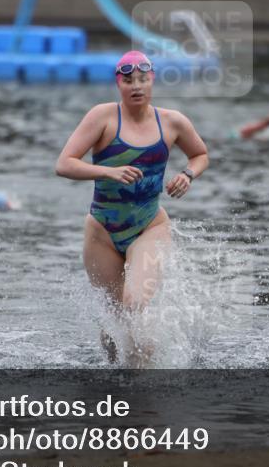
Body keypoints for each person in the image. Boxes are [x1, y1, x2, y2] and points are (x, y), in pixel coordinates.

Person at [55, 51, 209, 365]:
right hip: (102, 233)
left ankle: (145, 387)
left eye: (142, 79)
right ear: (119, 84)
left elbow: (200, 154)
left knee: (135, 304)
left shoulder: (172, 121)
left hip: (149, 227)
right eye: (128, 81)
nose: (136, 86)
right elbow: (64, 164)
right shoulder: (103, 117)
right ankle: (117, 393)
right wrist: (108, 171)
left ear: (152, 81)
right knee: (113, 327)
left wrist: (187, 174)